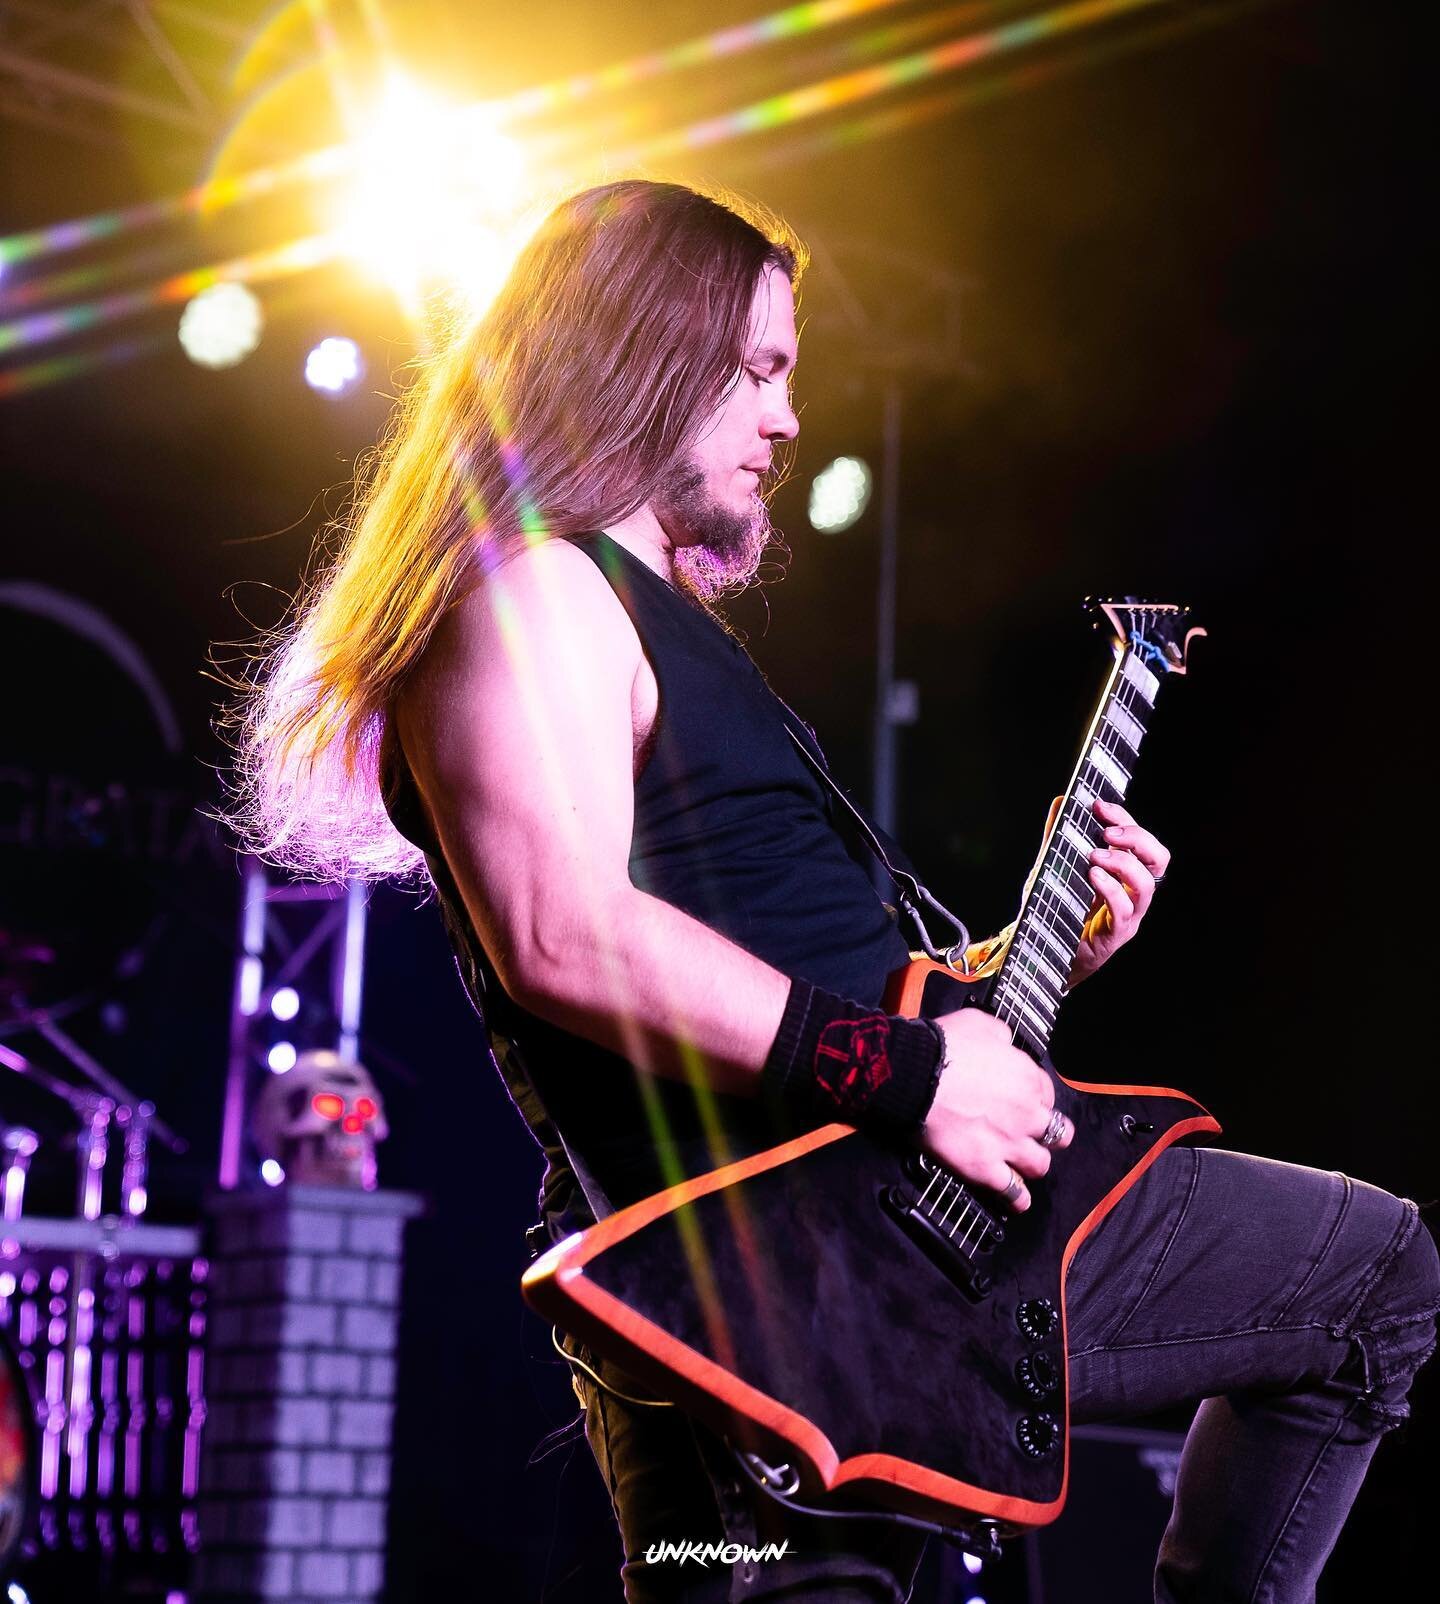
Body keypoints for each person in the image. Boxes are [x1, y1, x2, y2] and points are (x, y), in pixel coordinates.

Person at [231, 180, 1437, 1602]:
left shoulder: (630, 611)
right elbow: (565, 936)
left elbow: (786, 962)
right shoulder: (535, 590)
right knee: (1372, 1279)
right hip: (780, 1274)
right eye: (756, 371)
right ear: (635, 356)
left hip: (843, 1268)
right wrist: (922, 1074)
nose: (787, 420)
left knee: (1369, 1282)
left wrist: (1021, 971)